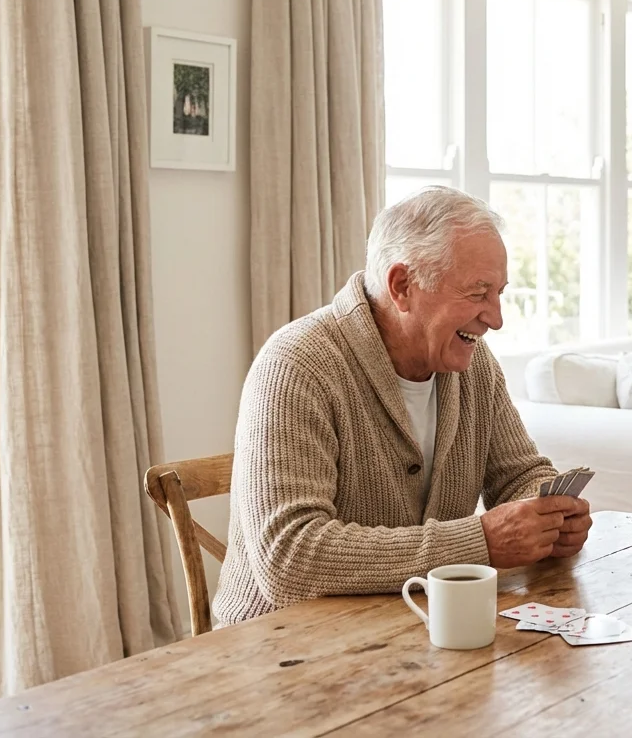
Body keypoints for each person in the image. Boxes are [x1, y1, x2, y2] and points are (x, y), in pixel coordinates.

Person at [214, 186, 592, 625]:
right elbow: (290, 559)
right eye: (477, 293)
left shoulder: (472, 364)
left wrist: (549, 519)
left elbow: (520, 474)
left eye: (499, 293)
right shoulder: (296, 365)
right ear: (402, 286)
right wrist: (480, 542)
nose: (496, 317)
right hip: (282, 648)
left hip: (415, 627)